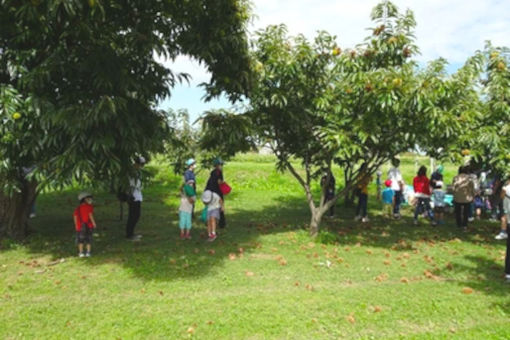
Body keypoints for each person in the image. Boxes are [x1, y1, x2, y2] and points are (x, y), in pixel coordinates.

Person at [126, 156, 145, 241]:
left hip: (137, 195)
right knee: (133, 215)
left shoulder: (137, 172)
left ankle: (131, 233)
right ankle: (129, 234)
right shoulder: (131, 173)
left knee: (136, 215)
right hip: (133, 196)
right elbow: (131, 185)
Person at [452, 166, 475, 232]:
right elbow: (472, 188)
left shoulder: (455, 178)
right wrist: (473, 195)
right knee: (466, 212)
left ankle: (458, 224)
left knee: (458, 211)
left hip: (458, 197)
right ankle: (465, 224)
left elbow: (453, 188)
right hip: (466, 197)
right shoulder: (469, 178)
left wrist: (454, 194)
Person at [73, 192, 97, 257]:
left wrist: (76, 225)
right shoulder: (89, 207)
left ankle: (81, 252)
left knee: (80, 240)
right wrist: (94, 223)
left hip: (80, 226)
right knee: (89, 239)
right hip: (89, 225)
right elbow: (90, 215)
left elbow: (75, 217)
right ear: (84, 199)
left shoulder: (78, 208)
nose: (90, 200)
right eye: (88, 198)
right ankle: (88, 252)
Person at [205, 158, 226, 228]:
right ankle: (221, 223)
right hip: (217, 192)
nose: (222, 166)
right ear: (217, 165)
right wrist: (224, 183)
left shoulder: (213, 172)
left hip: (211, 191)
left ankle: (209, 220)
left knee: (211, 206)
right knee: (220, 206)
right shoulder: (219, 172)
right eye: (221, 165)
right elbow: (219, 182)